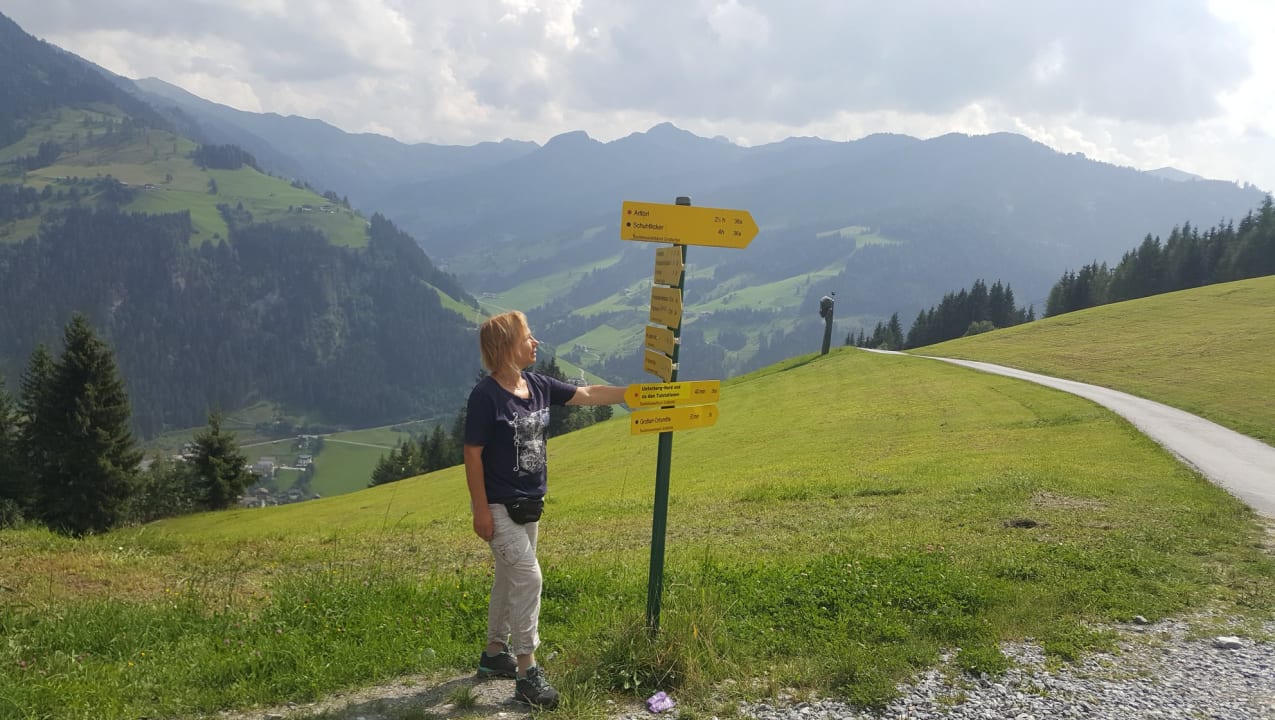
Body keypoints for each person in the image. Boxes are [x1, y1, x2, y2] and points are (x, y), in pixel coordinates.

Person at [463, 310, 627, 709]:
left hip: (528, 504)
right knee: (529, 579)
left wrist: (633, 394)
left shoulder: (535, 385)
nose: (535, 343)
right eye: (528, 337)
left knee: (509, 578)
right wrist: (480, 511)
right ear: (507, 348)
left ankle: (493, 654)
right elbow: (472, 454)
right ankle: (526, 673)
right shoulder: (485, 397)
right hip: (500, 507)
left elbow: (587, 395)